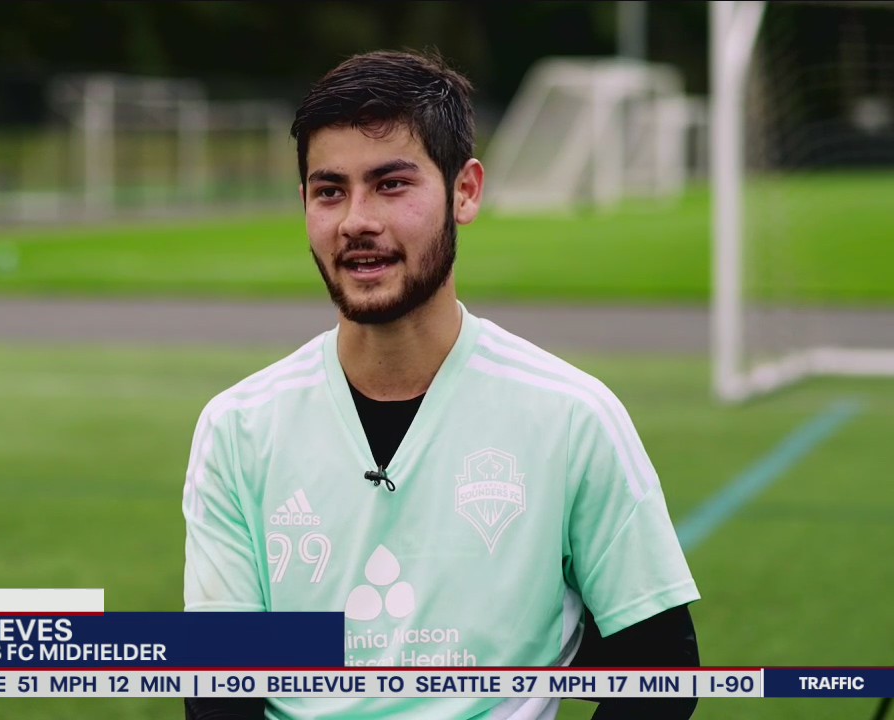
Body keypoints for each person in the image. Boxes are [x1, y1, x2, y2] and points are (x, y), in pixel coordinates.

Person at [182, 49, 700, 720]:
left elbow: (659, 673)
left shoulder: (573, 417)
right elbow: (222, 694)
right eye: (329, 190)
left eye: (391, 184)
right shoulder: (239, 427)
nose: (356, 220)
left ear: (466, 191)